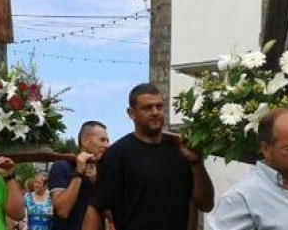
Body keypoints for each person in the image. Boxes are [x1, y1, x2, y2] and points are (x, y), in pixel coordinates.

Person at [83, 83, 214, 230]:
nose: (155, 112)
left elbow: (206, 204)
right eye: (147, 108)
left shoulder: (181, 151)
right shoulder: (117, 154)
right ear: (131, 113)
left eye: (159, 106)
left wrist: (197, 163)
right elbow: (97, 207)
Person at [48, 121, 110, 230]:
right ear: (85, 140)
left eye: (107, 141)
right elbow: (62, 211)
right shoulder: (62, 166)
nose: (107, 145)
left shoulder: (104, 171)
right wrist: (79, 173)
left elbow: (111, 215)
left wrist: (97, 182)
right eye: (102, 140)